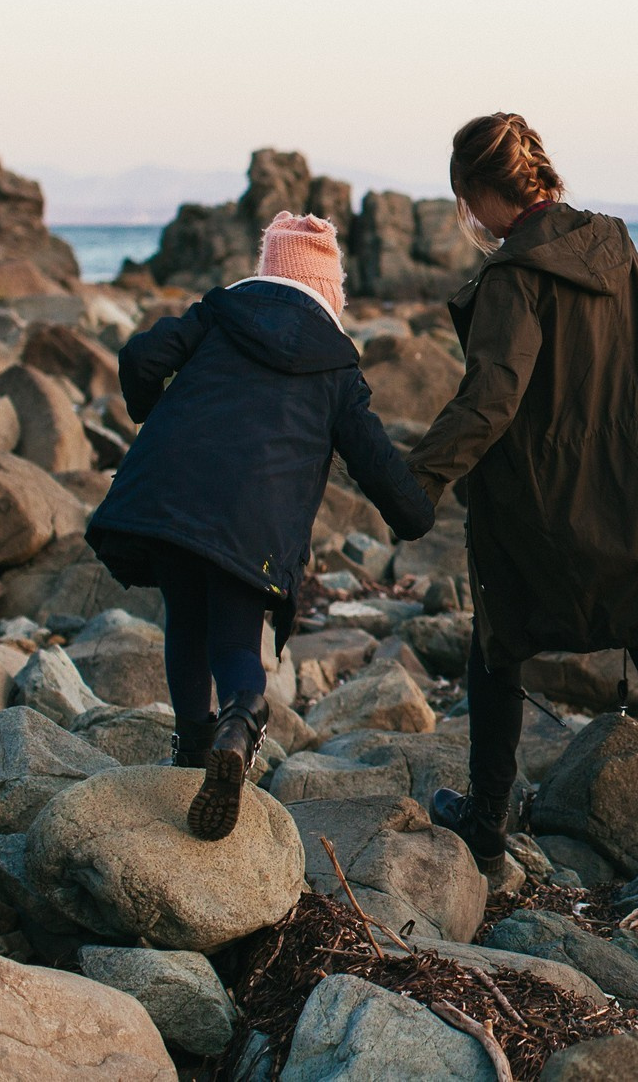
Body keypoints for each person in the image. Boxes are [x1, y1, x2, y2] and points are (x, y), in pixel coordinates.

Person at [406, 112, 638, 918]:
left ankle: (484, 824)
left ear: (483, 192)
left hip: (556, 503)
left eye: (465, 200)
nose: (470, 218)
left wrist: (419, 478)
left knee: (496, 642)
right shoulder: (612, 242)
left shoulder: (513, 275)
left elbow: (491, 397)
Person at [89, 212, 436, 840]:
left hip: (172, 497)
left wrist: (154, 415)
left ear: (267, 271)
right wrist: (416, 514)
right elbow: (375, 460)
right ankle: (242, 717)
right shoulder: (337, 368)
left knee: (185, 619)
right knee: (234, 638)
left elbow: (139, 355)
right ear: (330, 293)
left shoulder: (218, 315)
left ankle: (192, 749)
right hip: (253, 526)